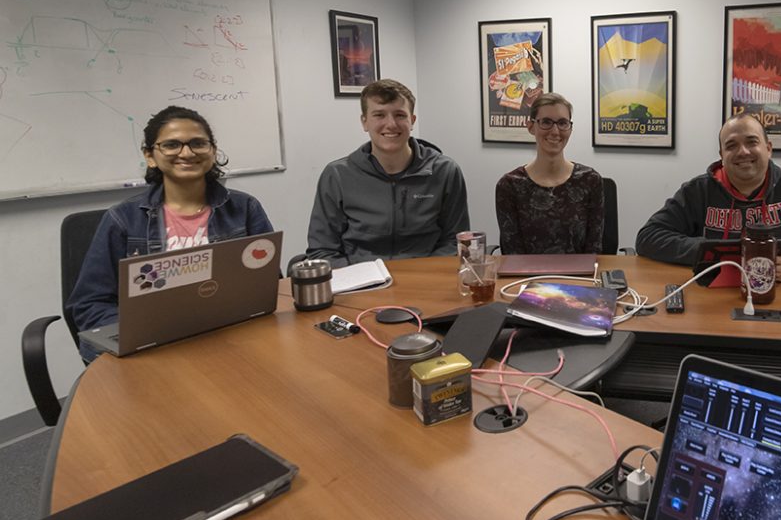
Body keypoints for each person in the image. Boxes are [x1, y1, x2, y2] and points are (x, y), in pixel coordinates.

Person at [68, 105, 274, 360]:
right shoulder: (122, 219)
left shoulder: (245, 208)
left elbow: (267, 283)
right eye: (171, 145)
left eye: (198, 143)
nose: (186, 153)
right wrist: (140, 335)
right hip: (152, 347)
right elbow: (90, 304)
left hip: (231, 337)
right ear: (150, 156)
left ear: (212, 150)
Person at [636, 114, 781, 280]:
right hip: (712, 298)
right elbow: (648, 238)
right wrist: (709, 252)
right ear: (722, 156)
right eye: (731, 145)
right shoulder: (697, 191)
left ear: (768, 149)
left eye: (752, 142)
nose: (743, 152)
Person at [306, 79, 469, 266]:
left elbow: (455, 241)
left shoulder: (445, 171)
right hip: (359, 282)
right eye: (379, 115)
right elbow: (323, 250)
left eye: (400, 115)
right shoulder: (337, 176)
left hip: (424, 280)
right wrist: (358, 278)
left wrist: (420, 274)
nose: (391, 124)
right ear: (364, 122)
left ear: (412, 120)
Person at [495, 93, 603, 254]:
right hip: (527, 277)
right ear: (531, 126)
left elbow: (594, 251)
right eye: (546, 122)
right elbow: (512, 254)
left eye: (562, 123)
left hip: (579, 276)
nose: (555, 131)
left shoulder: (590, 181)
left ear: (570, 128)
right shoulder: (509, 185)